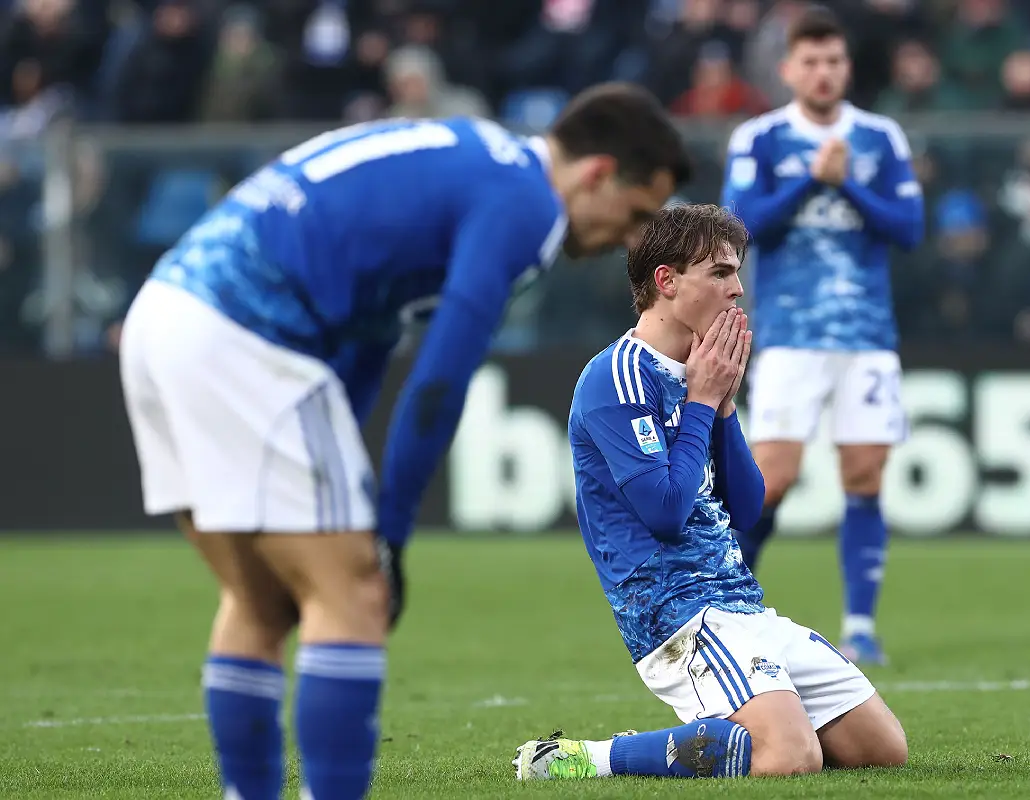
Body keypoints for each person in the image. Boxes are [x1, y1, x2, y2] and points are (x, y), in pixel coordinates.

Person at [117, 83, 690, 800]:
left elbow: (371, 329)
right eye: (636, 215)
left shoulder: (469, 151)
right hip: (249, 330)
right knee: (354, 591)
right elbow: (443, 374)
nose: (631, 241)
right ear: (597, 173)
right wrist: (387, 532)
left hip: (164, 312)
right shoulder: (527, 203)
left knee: (260, 599)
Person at [512, 203, 907, 781]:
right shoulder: (617, 378)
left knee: (882, 749)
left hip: (740, 602)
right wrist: (701, 401)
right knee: (791, 757)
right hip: (677, 617)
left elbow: (748, 509)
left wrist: (722, 408)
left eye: (737, 272)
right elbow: (666, 515)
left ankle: (721, 734)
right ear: (666, 282)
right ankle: (589, 758)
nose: (738, 289)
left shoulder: (702, 371)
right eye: (720, 272)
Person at [720, 5, 925, 665]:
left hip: (866, 332)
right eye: (810, 61)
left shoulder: (880, 137)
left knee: (864, 473)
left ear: (846, 67)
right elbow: (743, 226)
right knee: (772, 478)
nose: (823, 72)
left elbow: (909, 229)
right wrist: (814, 178)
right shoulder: (761, 138)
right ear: (788, 69)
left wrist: (851, 188)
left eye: (833, 61)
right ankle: (733, 605)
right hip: (789, 333)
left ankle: (861, 627)